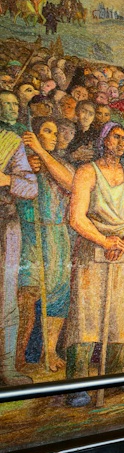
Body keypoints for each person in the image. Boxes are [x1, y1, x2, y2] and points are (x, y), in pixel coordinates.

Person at [64, 123, 124, 406]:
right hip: (91, 249)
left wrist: (123, 243)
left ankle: (113, 375)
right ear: (103, 140)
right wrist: (103, 240)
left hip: (121, 252)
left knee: (118, 316)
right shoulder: (87, 172)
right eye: (116, 137)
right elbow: (76, 217)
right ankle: (77, 384)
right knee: (86, 315)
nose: (121, 143)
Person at [17, 119, 73, 373]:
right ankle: (19, 356)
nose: (53, 136)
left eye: (54, 132)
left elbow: (70, 183)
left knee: (58, 293)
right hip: (30, 231)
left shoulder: (60, 164)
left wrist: (40, 152)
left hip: (57, 234)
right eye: (46, 132)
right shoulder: (24, 161)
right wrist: (29, 163)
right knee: (28, 292)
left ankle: (49, 350)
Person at [0, 129, 37, 386]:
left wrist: (5, 179)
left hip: (5, 225)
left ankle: (6, 367)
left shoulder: (9, 142)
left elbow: (30, 187)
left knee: (6, 296)